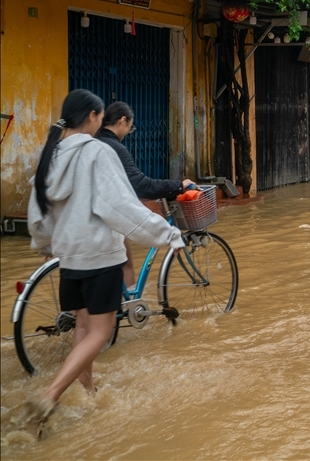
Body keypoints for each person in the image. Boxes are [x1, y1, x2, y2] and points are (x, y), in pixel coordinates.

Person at [22, 90, 184, 438]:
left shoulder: (51, 154)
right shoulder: (97, 152)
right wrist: (167, 234)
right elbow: (120, 206)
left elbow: (39, 209)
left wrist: (45, 243)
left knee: (82, 326)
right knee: (100, 332)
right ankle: (50, 395)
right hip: (100, 256)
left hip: (70, 259)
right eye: (99, 117)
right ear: (93, 117)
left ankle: (88, 391)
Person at [97, 101, 194, 290]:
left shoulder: (94, 142)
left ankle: (128, 301)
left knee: (124, 261)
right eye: (130, 127)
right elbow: (140, 185)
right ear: (122, 121)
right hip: (107, 217)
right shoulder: (114, 147)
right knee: (126, 264)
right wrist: (178, 185)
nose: (128, 132)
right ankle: (127, 304)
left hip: (88, 219)